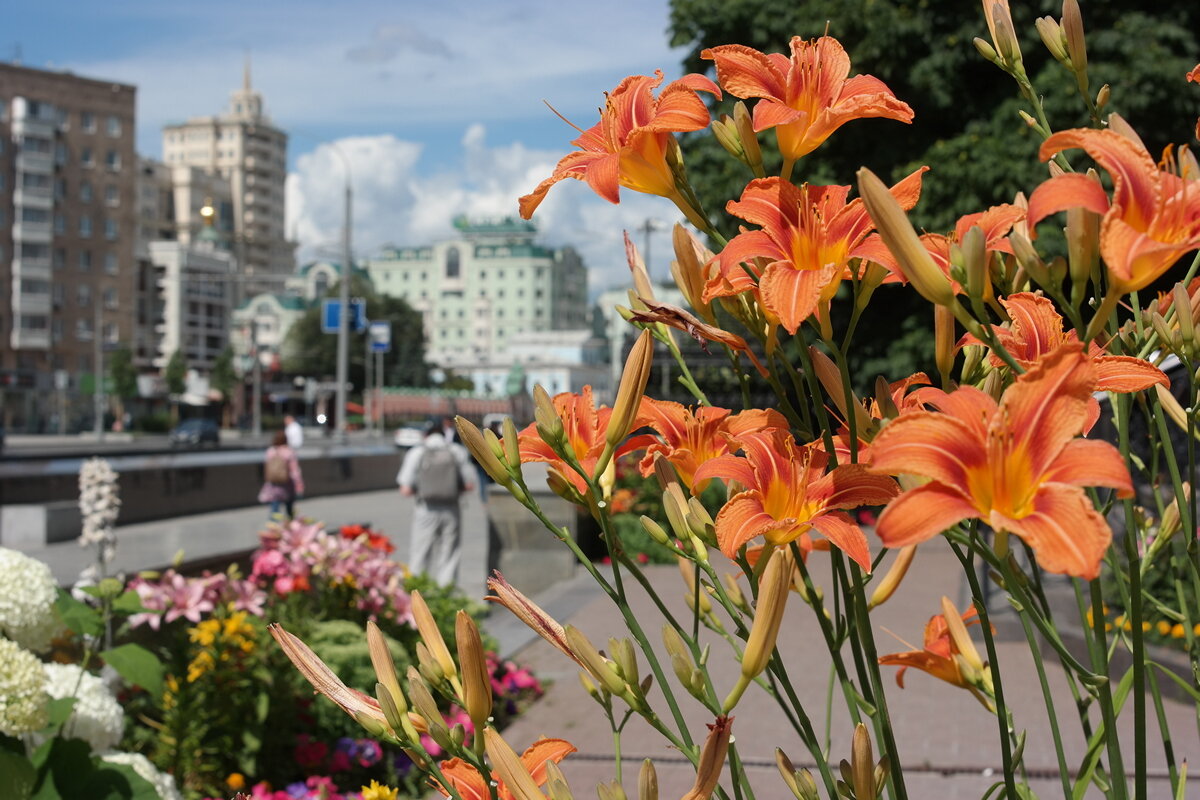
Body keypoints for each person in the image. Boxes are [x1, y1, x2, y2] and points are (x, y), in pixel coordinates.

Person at [396, 422, 476, 586]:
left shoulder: (417, 452)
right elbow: (469, 485)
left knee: (420, 551)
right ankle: (446, 593)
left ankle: (416, 592)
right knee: (449, 553)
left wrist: (425, 488)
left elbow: (405, 489)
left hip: (425, 509)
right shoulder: (456, 451)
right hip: (451, 508)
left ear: (426, 435)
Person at [258, 431, 305, 519]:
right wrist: (299, 485)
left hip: (273, 483)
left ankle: (273, 528)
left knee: (275, 507)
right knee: (289, 508)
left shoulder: (270, 451)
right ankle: (291, 528)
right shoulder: (289, 452)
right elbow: (295, 471)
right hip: (287, 483)